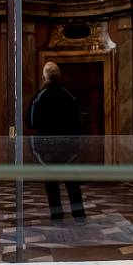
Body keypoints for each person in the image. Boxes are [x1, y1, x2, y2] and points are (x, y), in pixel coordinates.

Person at [27, 61, 86, 220]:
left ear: (44, 77)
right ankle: (79, 216)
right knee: (73, 183)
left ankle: (57, 216)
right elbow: (79, 122)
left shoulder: (39, 97)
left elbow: (31, 122)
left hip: (47, 148)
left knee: (51, 184)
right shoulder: (69, 95)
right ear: (59, 77)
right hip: (68, 147)